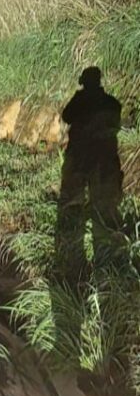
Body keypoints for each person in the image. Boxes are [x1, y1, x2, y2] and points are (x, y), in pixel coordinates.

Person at [54, 67, 123, 284]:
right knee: (105, 206)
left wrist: (79, 97)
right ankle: (110, 261)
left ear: (84, 82)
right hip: (106, 160)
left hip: (81, 158)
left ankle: (72, 253)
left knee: (72, 200)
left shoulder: (81, 101)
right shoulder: (113, 104)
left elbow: (67, 116)